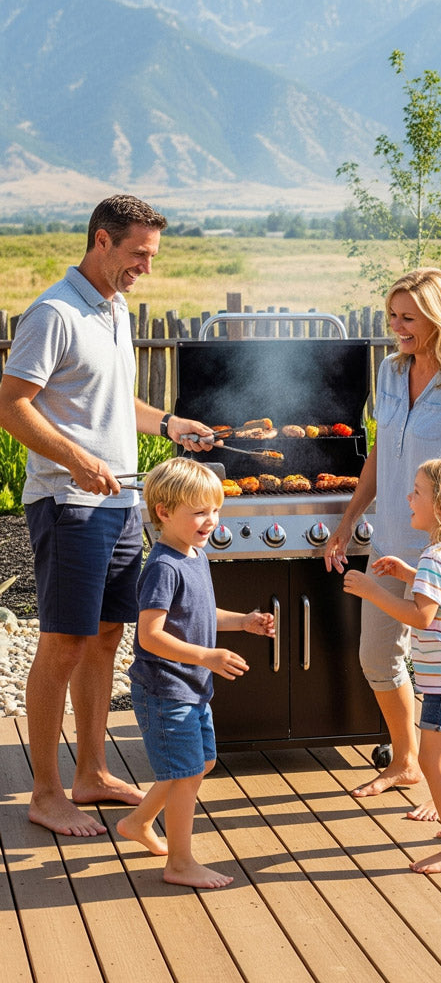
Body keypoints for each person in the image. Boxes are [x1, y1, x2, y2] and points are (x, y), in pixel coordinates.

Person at [0, 195, 216, 838]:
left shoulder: (114, 308)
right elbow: (12, 403)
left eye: (152, 254)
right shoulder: (55, 312)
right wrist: (74, 459)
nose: (146, 267)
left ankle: (90, 771)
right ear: (102, 240)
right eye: (138, 254)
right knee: (63, 642)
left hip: (121, 503)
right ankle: (45, 791)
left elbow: (112, 398)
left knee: (105, 638)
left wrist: (172, 425)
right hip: (71, 505)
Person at [324, 268, 441, 817]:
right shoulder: (392, 372)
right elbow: (378, 454)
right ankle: (405, 760)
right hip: (390, 543)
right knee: (377, 654)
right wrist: (351, 517)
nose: (396, 327)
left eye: (408, 318)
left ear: (438, 319)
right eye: (392, 316)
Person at [117, 458, 274, 888]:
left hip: (190, 688)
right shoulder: (164, 567)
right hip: (166, 689)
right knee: (186, 774)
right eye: (200, 512)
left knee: (199, 763)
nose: (211, 521)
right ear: (165, 512)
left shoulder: (195, 555)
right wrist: (206, 657)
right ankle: (180, 863)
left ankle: (139, 821)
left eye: (215, 510)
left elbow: (201, 613)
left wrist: (242, 621)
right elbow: (149, 636)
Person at [343, 457, 441, 873]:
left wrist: (371, 589)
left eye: (418, 492)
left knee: (433, 760)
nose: (408, 497)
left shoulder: (437, 556)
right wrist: (409, 571)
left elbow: (421, 616)